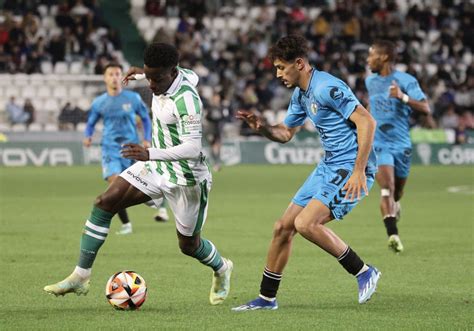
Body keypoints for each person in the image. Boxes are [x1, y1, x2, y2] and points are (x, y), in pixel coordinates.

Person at [43, 43, 233, 306]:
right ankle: (81, 276)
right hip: (156, 168)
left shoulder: (187, 99)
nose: (152, 85)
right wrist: (142, 74)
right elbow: (188, 73)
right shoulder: (180, 74)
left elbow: (192, 148)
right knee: (104, 202)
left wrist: (150, 153)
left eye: (157, 78)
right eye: (149, 75)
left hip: (186, 179)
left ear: (173, 73)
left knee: (188, 245)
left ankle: (222, 268)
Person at [232, 35, 380, 311]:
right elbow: (286, 133)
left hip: (350, 165)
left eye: (281, 67)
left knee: (306, 224)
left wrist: (359, 170)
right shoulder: (301, 94)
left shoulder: (327, 87)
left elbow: (366, 121)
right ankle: (266, 299)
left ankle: (363, 271)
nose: (277, 74)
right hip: (329, 165)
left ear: (299, 63)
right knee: (282, 228)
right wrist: (263, 128)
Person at [366, 40, 431, 253]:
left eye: (371, 55)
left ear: (383, 57)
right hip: (378, 143)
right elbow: (371, 104)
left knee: (397, 191)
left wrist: (402, 97)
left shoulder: (406, 80)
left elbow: (425, 108)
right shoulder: (370, 81)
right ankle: (393, 234)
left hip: (401, 143)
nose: (368, 60)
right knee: (387, 187)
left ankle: (396, 205)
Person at [83, 62, 157, 235]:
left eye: (117, 74)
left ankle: (135, 211)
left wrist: (147, 139)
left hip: (132, 148)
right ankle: (127, 222)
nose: (115, 77)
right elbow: (91, 122)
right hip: (110, 148)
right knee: (115, 183)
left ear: (122, 77)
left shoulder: (133, 98)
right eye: (111, 74)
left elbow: (145, 119)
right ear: (105, 78)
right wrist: (87, 135)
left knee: (125, 188)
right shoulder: (99, 102)